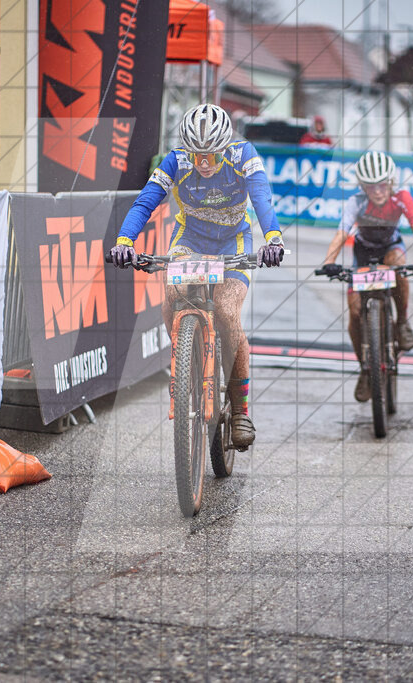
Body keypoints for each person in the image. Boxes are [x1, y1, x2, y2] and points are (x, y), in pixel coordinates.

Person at [109, 103, 284, 448]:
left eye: (211, 155)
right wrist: (125, 240)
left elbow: (261, 196)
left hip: (234, 241)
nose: (204, 162)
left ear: (225, 146)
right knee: (173, 295)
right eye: (197, 154)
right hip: (190, 240)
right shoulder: (177, 161)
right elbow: (146, 202)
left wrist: (273, 237)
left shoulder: (242, 154)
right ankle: (186, 366)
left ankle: (240, 410)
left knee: (227, 311)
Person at [318, 150, 413, 403]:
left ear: (391, 183)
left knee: (399, 265)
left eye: (383, 185)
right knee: (356, 312)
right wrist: (329, 262)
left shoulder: (402, 197)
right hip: (363, 253)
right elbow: (341, 234)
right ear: (363, 187)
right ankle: (366, 369)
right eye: (371, 187)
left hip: (391, 249)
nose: (378, 191)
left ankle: (402, 322)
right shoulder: (356, 202)